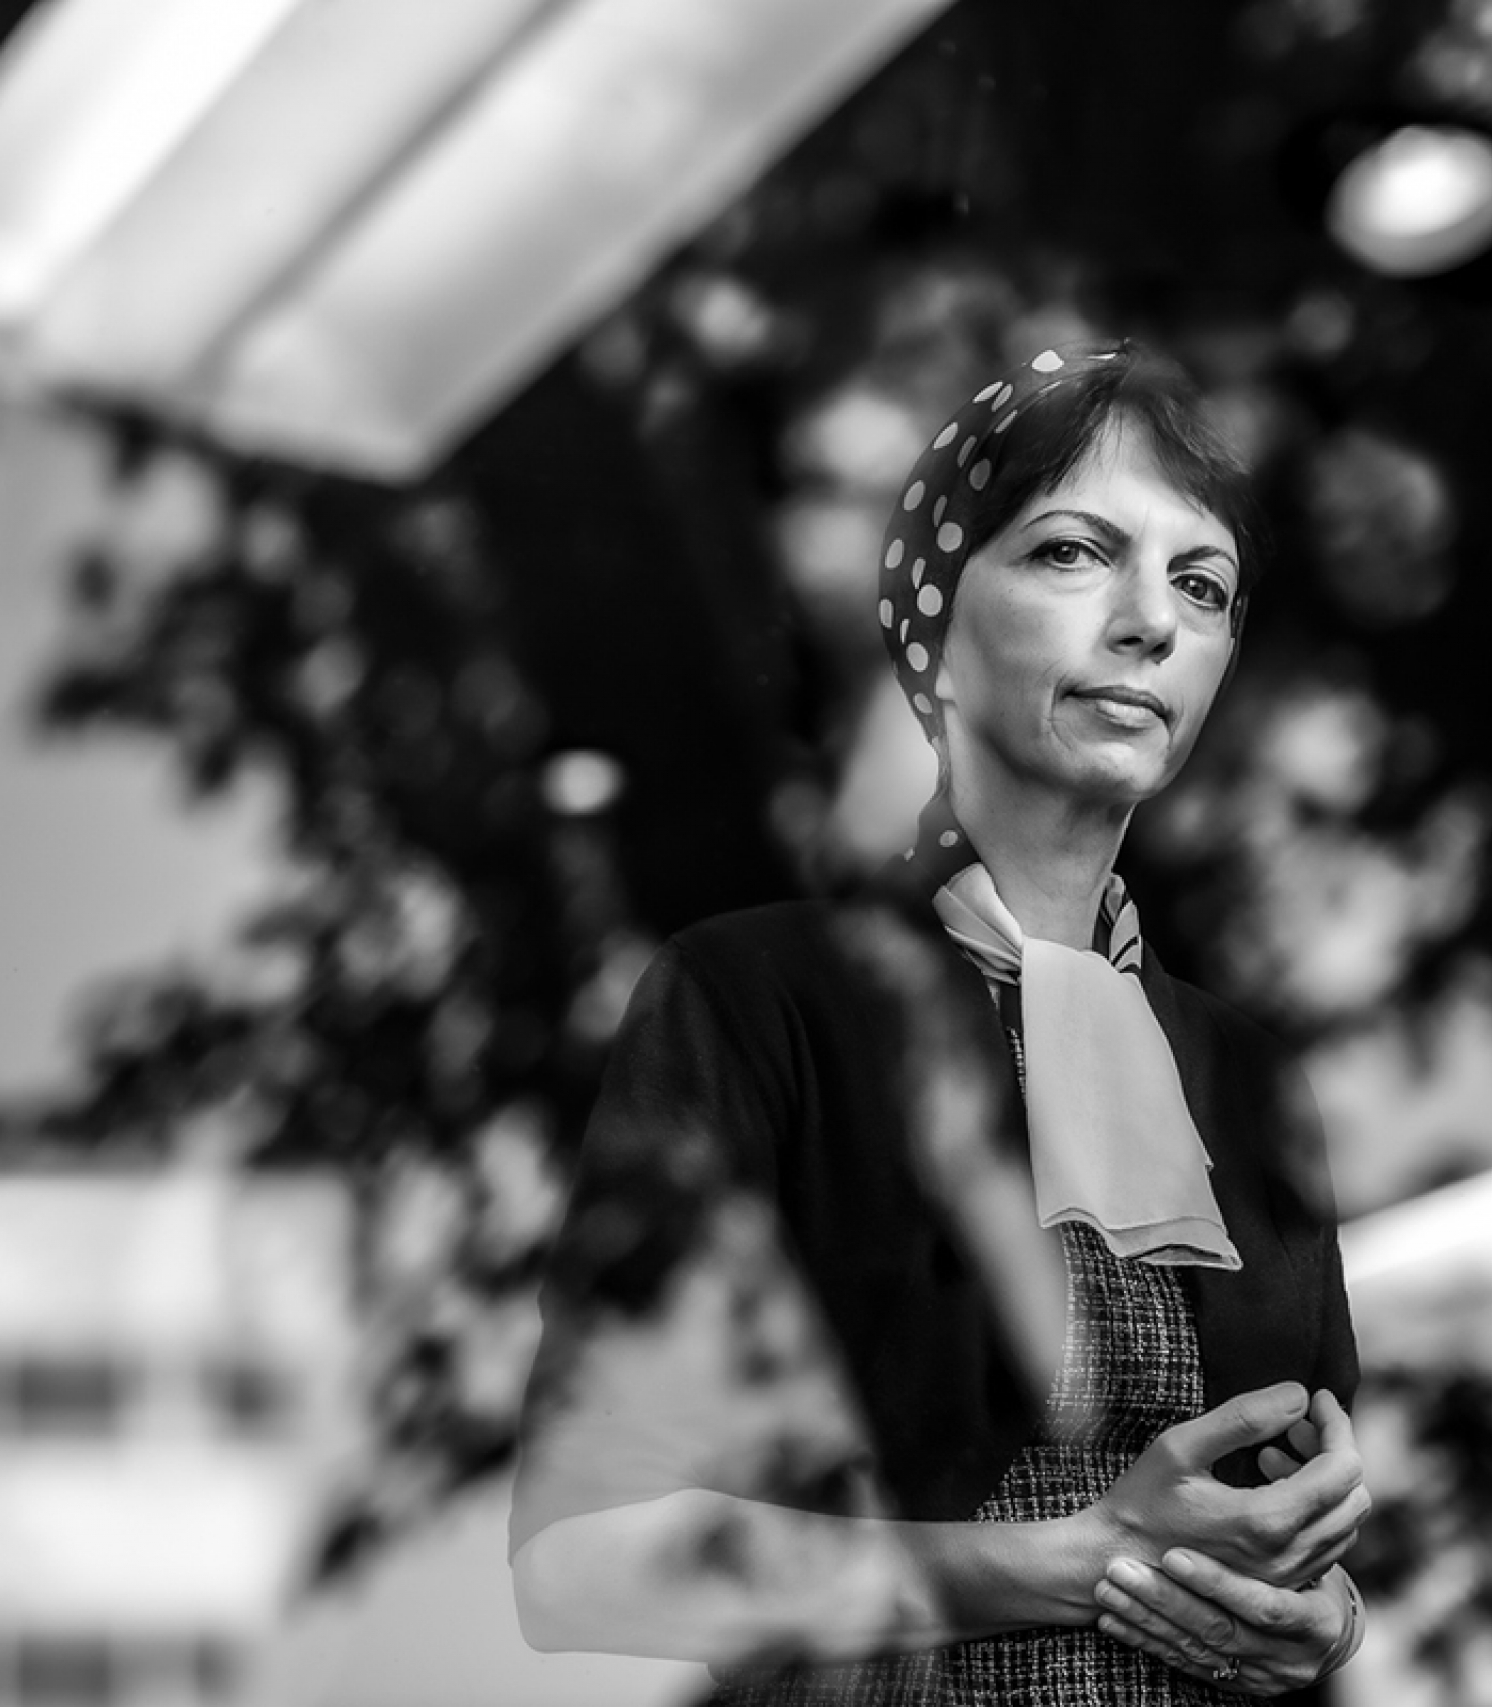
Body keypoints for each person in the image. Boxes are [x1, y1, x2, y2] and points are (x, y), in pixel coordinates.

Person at [510, 342, 1367, 1703]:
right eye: (1077, 553)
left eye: (1201, 586)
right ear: (934, 622)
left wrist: (1326, 1622)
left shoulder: (1248, 1080)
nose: (1151, 622)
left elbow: (1305, 1546)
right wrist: (1074, 1561)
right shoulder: (758, 1002)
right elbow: (579, 1565)